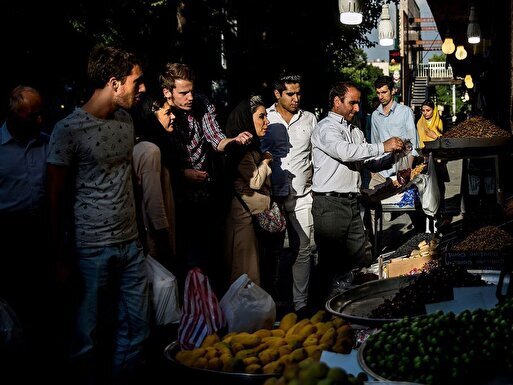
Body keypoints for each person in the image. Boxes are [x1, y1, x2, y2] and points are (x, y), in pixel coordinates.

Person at [46, 46, 149, 385]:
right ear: (114, 82)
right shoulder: (69, 130)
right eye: (137, 82)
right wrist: (60, 256)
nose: (142, 88)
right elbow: (54, 199)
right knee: (85, 339)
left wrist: (142, 238)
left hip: (130, 245)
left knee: (136, 330)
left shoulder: (125, 121)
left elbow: (129, 181)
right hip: (90, 250)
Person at [157, 62, 252, 293]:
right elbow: (154, 155)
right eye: (183, 93)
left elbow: (215, 137)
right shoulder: (157, 111)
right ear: (167, 93)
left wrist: (233, 141)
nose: (190, 97)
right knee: (177, 258)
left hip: (203, 194)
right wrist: (180, 174)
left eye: (192, 90)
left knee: (206, 256)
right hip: (171, 196)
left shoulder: (201, 103)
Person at [310, 81, 404, 305]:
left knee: (355, 260)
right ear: (336, 102)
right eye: (352, 103)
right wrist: (383, 146)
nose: (357, 108)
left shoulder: (354, 130)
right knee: (330, 264)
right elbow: (346, 152)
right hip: (330, 204)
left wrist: (394, 156)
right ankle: (322, 312)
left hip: (352, 203)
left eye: (358, 103)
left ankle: (347, 308)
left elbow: (368, 162)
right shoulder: (326, 128)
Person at [0, 85, 52, 380]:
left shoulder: (46, 143)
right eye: (34, 115)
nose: (41, 120)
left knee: (41, 305)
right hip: (9, 234)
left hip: (41, 232)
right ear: (16, 115)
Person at [260, 72, 316, 315]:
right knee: (270, 251)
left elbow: (316, 154)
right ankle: (269, 302)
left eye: (298, 93)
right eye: (290, 94)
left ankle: (300, 303)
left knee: (303, 247)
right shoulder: (265, 118)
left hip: (303, 195)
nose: (296, 98)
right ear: (277, 94)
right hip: (272, 197)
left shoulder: (309, 119)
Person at [224, 95, 272, 286]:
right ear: (247, 119)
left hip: (246, 216)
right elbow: (254, 181)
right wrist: (267, 161)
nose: (266, 122)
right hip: (241, 219)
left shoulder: (251, 145)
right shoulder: (241, 149)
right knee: (244, 270)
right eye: (261, 117)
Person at [132, 95, 177, 271]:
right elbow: (154, 201)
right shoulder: (150, 151)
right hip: (155, 242)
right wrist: (164, 240)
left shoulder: (143, 146)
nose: (173, 117)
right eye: (167, 113)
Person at [370, 75, 419, 188]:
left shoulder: (405, 111)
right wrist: (373, 171)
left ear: (392, 91)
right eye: (378, 93)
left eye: (384, 92)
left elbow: (413, 142)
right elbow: (375, 143)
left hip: (401, 170)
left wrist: (408, 170)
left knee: (399, 204)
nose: (380, 96)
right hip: (381, 172)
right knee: (373, 202)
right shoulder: (375, 115)